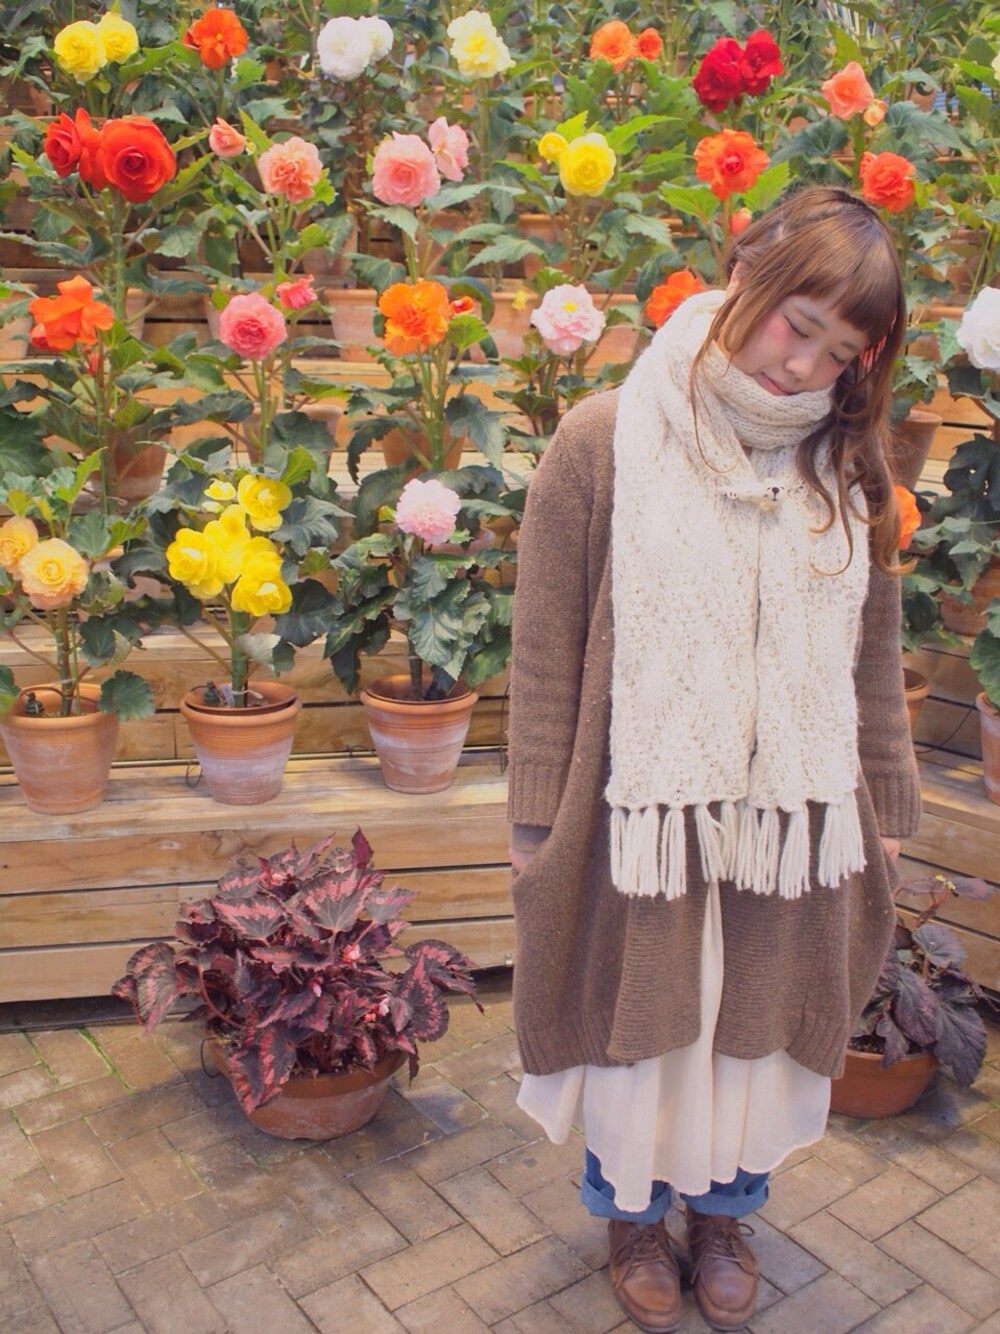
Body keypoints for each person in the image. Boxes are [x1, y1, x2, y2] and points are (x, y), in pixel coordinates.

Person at [505, 186, 921, 1333]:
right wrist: (533, 816)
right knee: (639, 1024)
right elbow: (543, 645)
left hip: (788, 819)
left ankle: (726, 1211)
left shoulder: (846, 465)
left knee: (753, 1026)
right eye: (799, 325)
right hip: (636, 810)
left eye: (838, 352)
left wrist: (884, 807)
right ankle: (632, 1216)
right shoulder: (604, 439)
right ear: (747, 273)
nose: (804, 367)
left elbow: (873, 653)